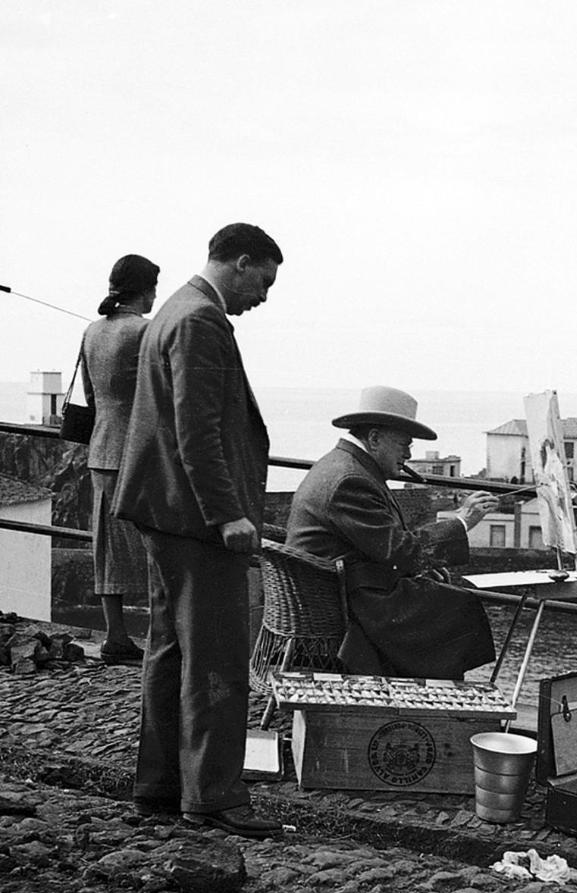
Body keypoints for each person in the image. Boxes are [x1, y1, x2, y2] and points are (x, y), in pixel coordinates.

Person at [113, 223, 282, 839]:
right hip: (195, 521)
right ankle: (212, 795)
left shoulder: (174, 311)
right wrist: (228, 513)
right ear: (240, 263)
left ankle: (158, 785)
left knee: (168, 651)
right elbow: (197, 430)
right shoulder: (201, 321)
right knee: (216, 657)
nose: (263, 297)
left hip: (163, 514)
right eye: (263, 281)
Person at [285, 386, 498, 679]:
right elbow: (400, 551)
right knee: (459, 604)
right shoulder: (350, 479)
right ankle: (433, 705)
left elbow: (385, 544)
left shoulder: (345, 466)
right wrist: (462, 521)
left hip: (336, 588)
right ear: (374, 438)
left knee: (450, 598)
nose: (409, 455)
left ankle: (429, 697)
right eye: (404, 445)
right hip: (343, 604)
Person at [79, 254, 159, 665]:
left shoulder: (93, 331)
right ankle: (164, 637)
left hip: (101, 449)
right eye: (153, 288)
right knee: (158, 544)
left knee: (108, 546)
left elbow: (93, 398)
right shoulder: (144, 332)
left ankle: (116, 635)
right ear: (143, 290)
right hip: (139, 454)